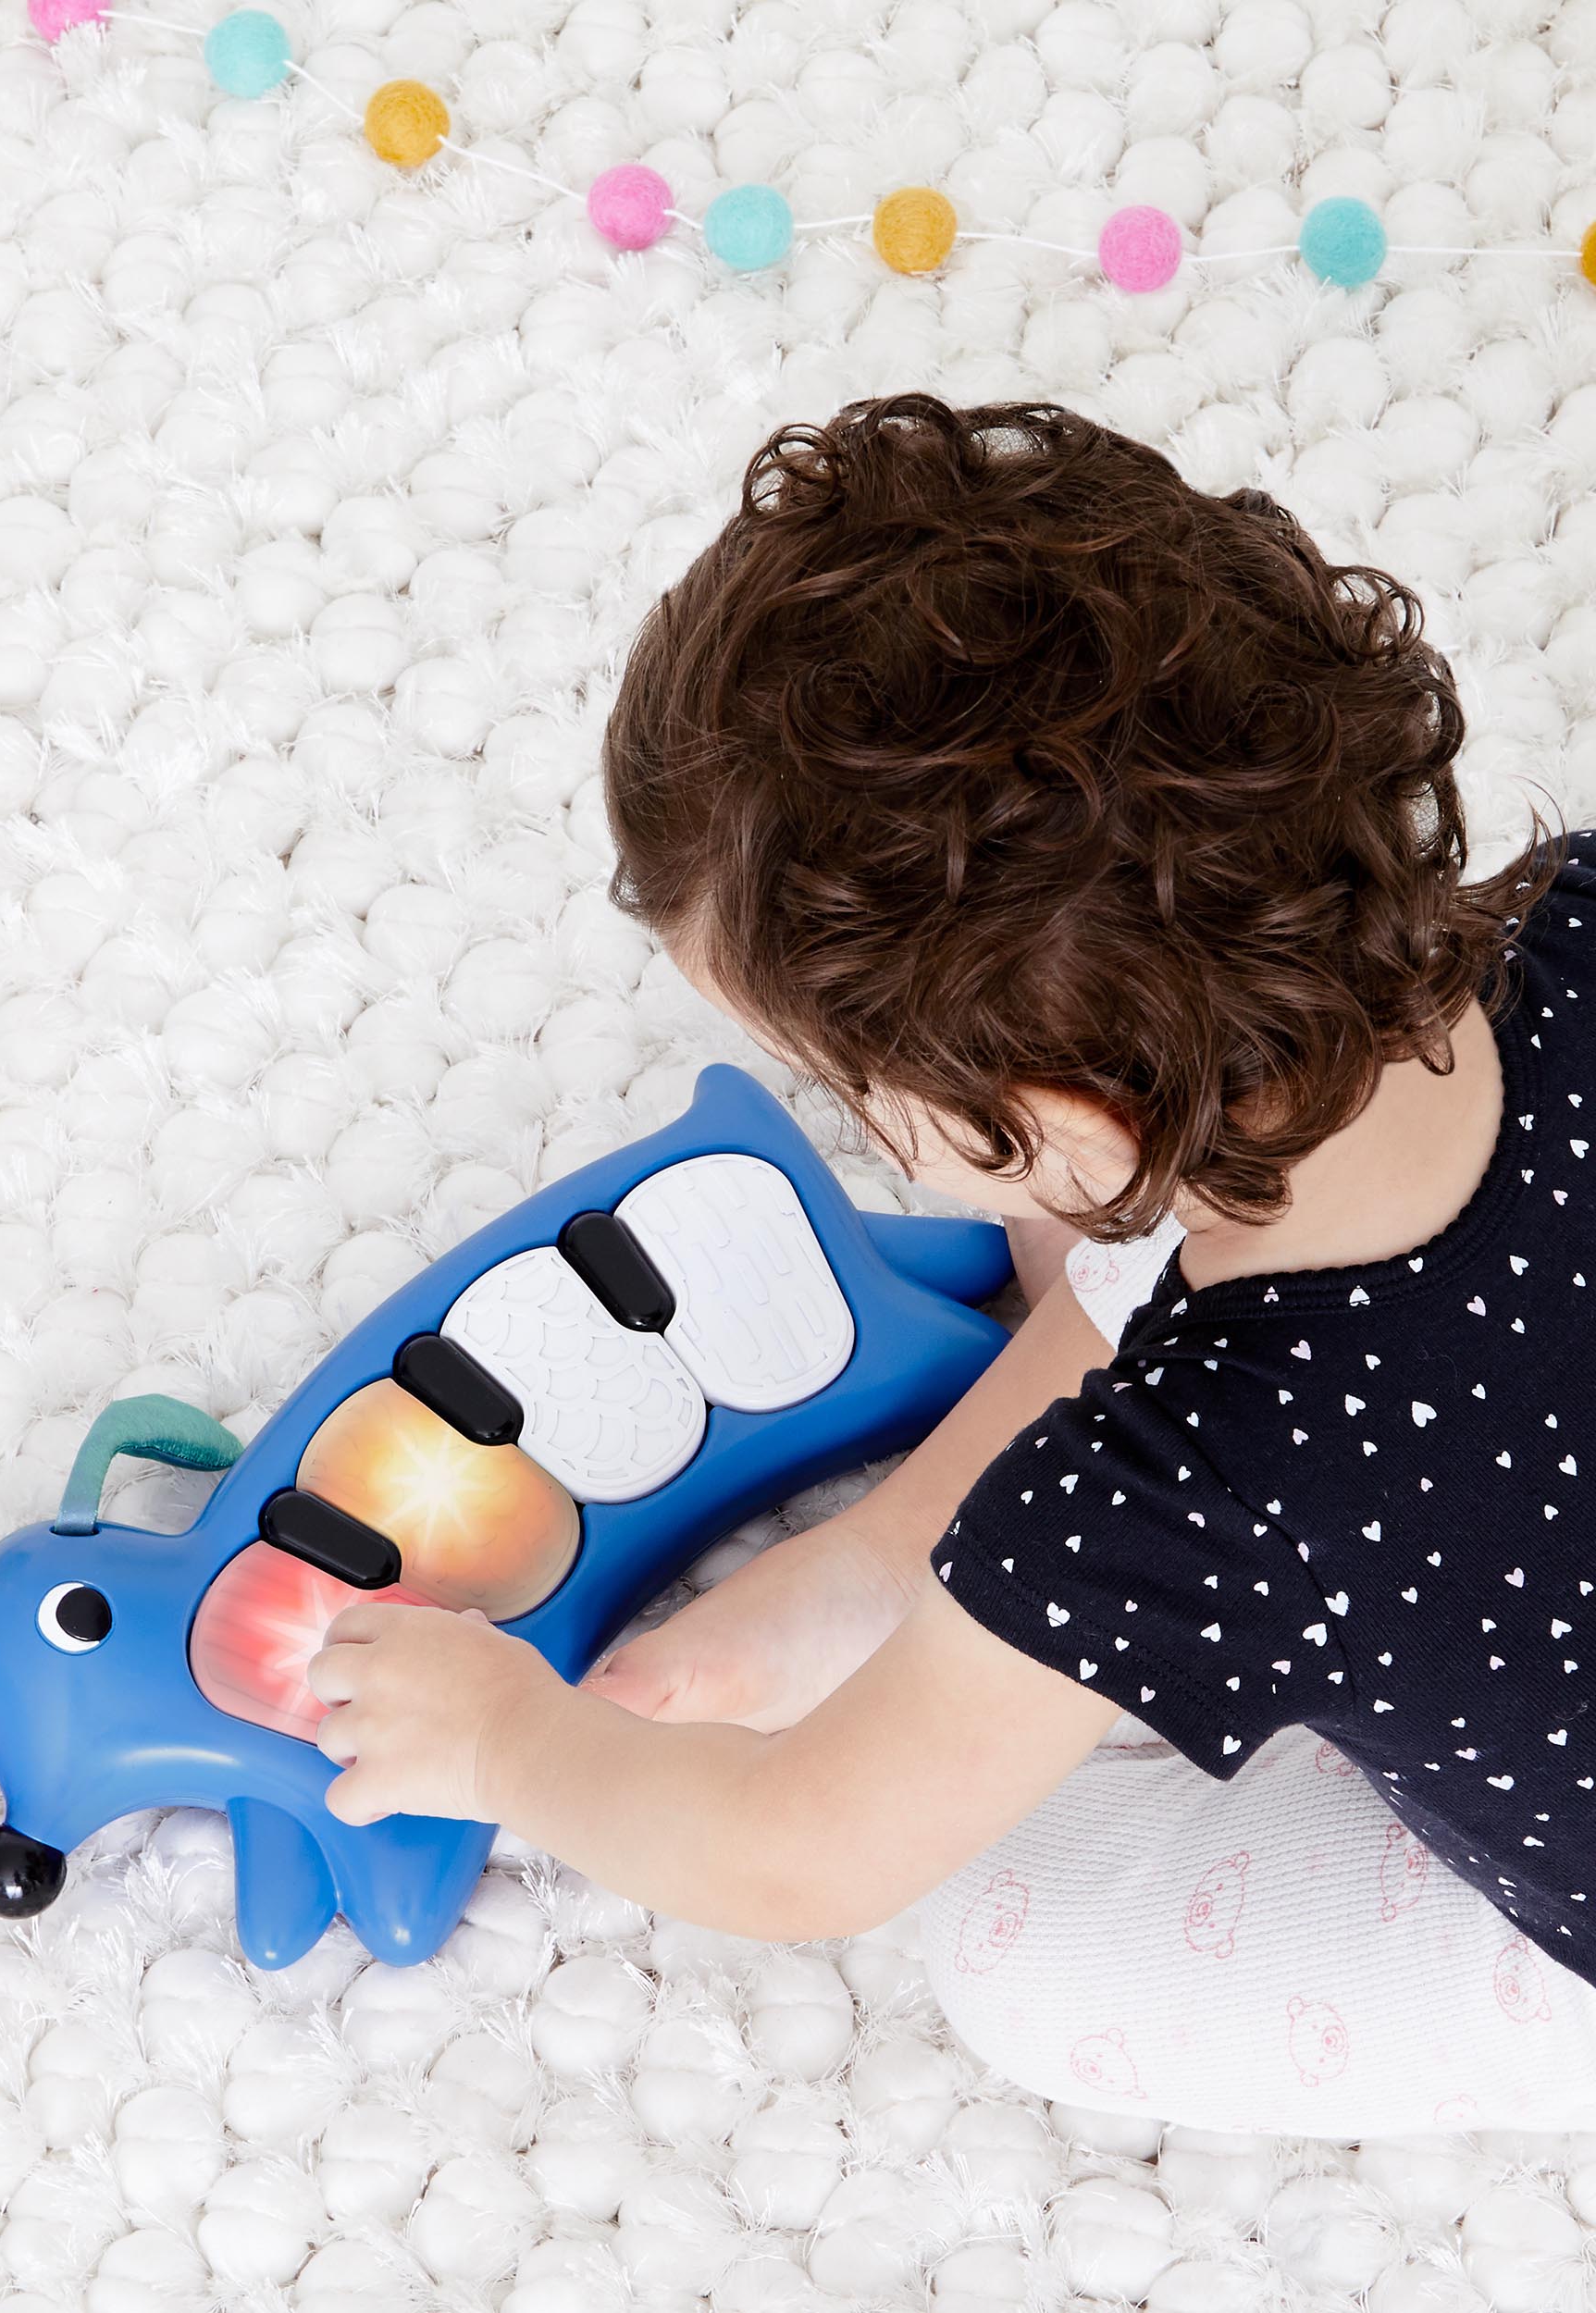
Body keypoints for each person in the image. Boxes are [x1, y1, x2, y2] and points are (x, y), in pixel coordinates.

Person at [306, 395, 1596, 2135]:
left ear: (1059, 1111)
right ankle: (903, 1568)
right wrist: (876, 1561)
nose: (860, 1136)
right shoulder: (1572, 907)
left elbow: (800, 1850)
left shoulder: (1194, 1481)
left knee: (1018, 1943)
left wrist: (509, 1746)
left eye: (856, 1096)